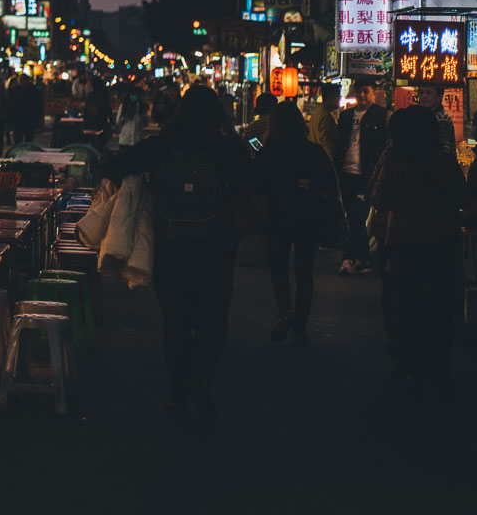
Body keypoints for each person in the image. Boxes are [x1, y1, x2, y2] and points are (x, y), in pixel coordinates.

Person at [103, 84, 249, 426]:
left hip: (170, 250)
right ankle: (200, 377)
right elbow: (248, 188)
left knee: (177, 324)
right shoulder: (225, 149)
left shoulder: (163, 145)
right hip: (216, 253)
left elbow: (117, 164)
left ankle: (177, 393)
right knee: (213, 322)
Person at [368, 105, 465, 392]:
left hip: (404, 243)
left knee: (407, 305)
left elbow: (379, 199)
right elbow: (462, 194)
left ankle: (412, 365)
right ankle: (439, 371)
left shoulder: (395, 163)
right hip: (441, 242)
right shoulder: (446, 162)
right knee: (439, 308)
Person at [253, 101, 340, 345]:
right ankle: (300, 327)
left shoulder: (268, 150)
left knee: (279, 269)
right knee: (304, 272)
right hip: (308, 216)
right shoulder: (313, 151)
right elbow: (329, 184)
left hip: (277, 215)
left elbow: (255, 182)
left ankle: (285, 311)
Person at [335, 83, 388, 274]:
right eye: (359, 91)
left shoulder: (381, 116)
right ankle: (363, 260)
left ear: (374, 94)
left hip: (366, 176)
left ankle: (349, 258)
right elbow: (338, 142)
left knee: (357, 217)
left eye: (366, 91)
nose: (362, 95)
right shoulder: (346, 116)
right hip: (346, 173)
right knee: (353, 218)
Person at [3, 74, 43, 151]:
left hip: (27, 119)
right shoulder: (14, 90)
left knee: (27, 140)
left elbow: (38, 105)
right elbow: (8, 105)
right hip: (19, 119)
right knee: (19, 140)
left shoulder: (32, 90)